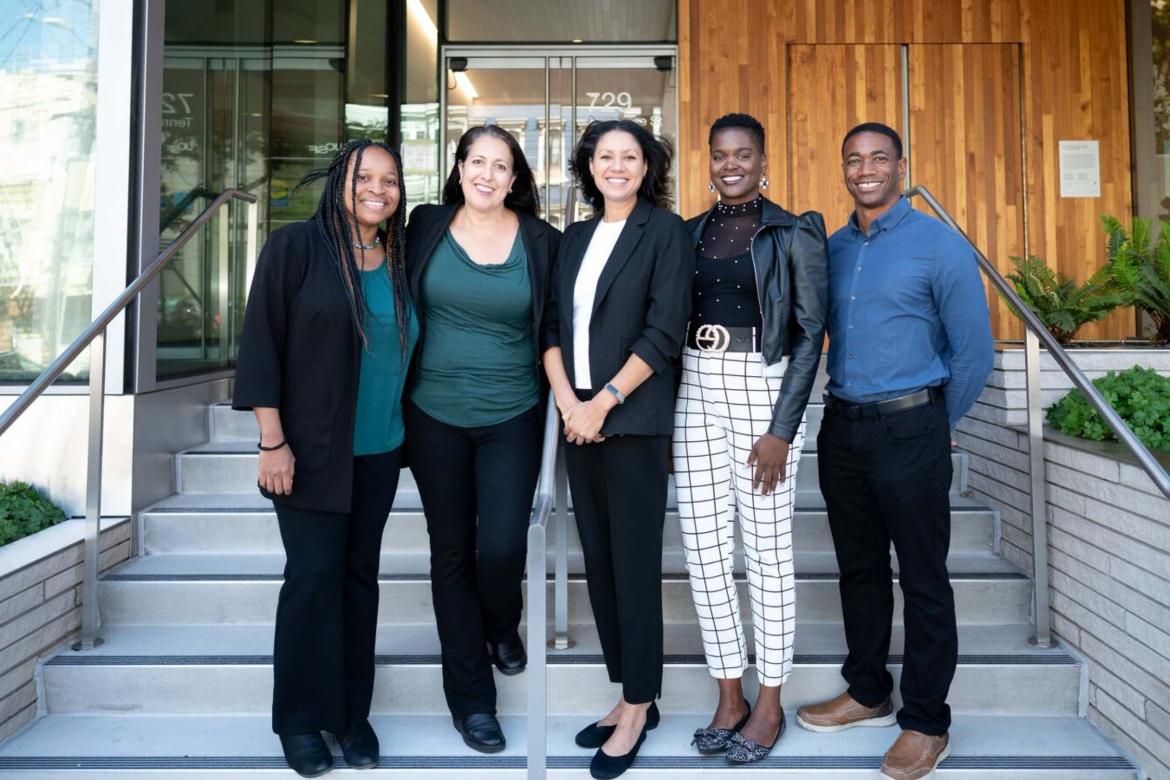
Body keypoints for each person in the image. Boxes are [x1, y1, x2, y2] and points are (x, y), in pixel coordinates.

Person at [795, 122, 994, 780]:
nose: (866, 168)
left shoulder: (940, 245)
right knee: (859, 570)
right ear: (844, 169)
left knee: (925, 578)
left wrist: (939, 425)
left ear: (901, 165)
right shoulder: (833, 249)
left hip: (912, 428)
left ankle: (927, 721)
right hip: (843, 429)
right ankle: (869, 691)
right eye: (854, 159)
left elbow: (973, 353)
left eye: (879, 157)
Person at [233, 139, 418, 778]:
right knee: (312, 581)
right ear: (341, 181)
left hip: (381, 450)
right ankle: (299, 720)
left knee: (359, 582)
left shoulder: (400, 257)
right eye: (365, 177)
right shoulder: (295, 247)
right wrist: (271, 440)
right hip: (307, 452)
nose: (378, 189)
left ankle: (349, 714)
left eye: (390, 180)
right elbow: (262, 345)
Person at [542, 119, 694, 780]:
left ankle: (639, 704)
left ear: (647, 166)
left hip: (629, 423)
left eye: (630, 156)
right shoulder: (574, 237)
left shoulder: (666, 233)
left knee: (632, 566)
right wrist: (569, 404)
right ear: (589, 166)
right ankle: (627, 689)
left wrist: (601, 402)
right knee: (598, 562)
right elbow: (549, 326)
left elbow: (664, 332)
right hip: (577, 418)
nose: (617, 166)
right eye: (606, 156)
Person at [675, 113, 827, 764]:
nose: (730, 164)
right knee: (705, 553)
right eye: (719, 154)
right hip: (694, 387)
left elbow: (809, 335)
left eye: (742, 154)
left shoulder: (794, 232)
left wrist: (782, 430)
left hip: (760, 389)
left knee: (765, 551)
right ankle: (728, 693)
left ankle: (769, 699)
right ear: (708, 162)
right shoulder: (689, 234)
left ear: (764, 160)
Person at [403, 124, 559, 754]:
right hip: (431, 414)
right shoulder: (424, 225)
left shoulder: (542, 241)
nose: (487, 175)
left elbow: (565, 318)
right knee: (451, 554)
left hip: (512, 414)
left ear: (515, 178)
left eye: (501, 166)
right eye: (477, 162)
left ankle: (501, 622)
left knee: (499, 545)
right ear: (460, 168)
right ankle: (472, 703)